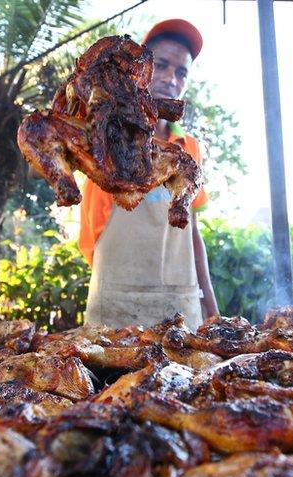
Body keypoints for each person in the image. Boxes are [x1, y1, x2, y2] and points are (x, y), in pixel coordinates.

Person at [78, 19, 219, 329]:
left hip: (181, 311)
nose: (171, 78)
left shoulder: (189, 148)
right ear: (138, 71)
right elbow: (91, 231)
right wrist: (116, 286)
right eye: (162, 66)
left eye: (181, 72)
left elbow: (192, 231)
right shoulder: (107, 136)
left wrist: (210, 303)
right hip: (116, 314)